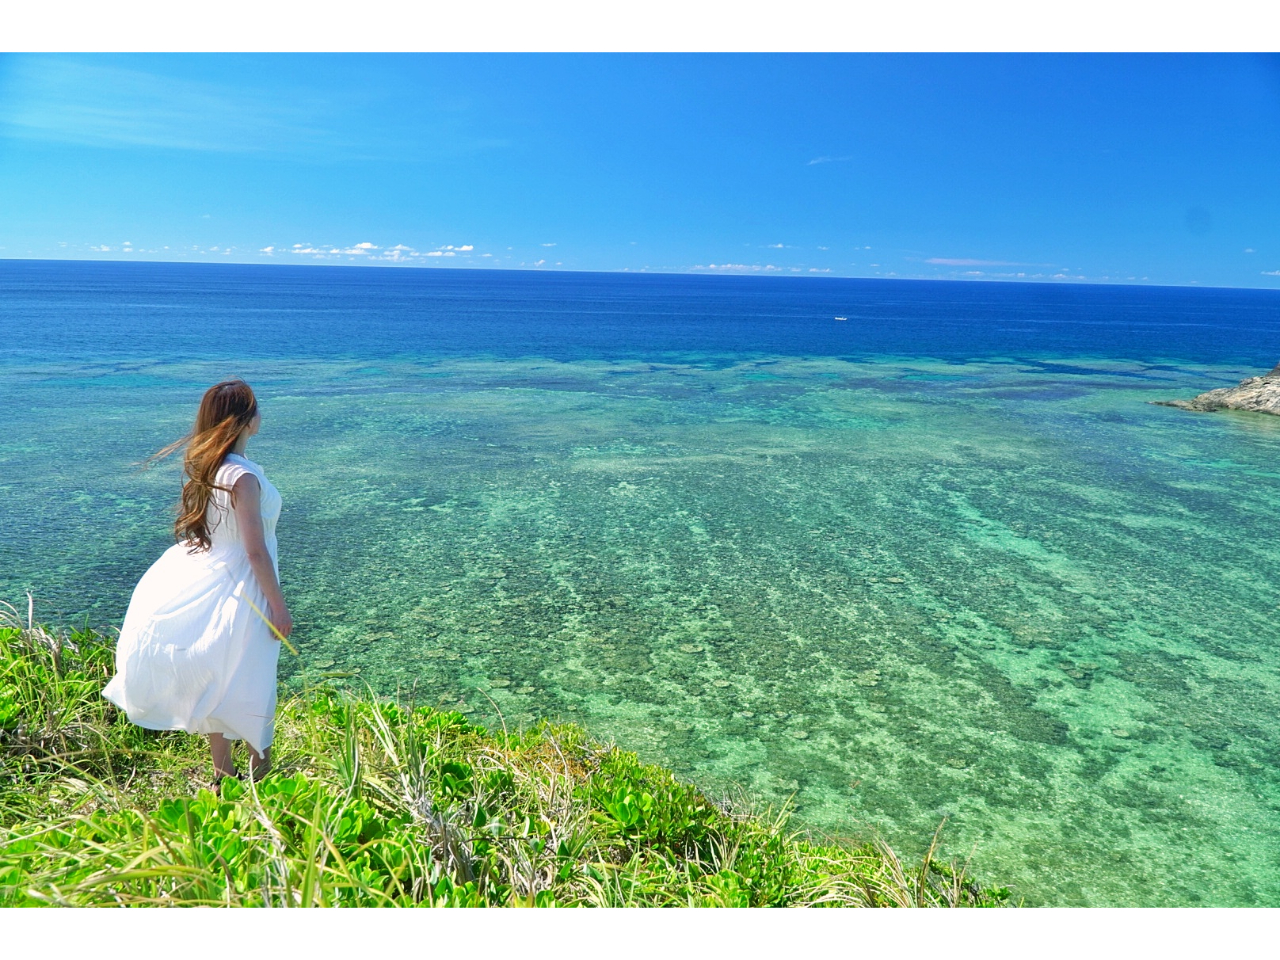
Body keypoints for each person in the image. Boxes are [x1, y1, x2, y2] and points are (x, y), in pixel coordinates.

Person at [103, 379, 292, 792]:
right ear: (245, 420)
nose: (263, 415)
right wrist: (278, 606)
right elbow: (255, 550)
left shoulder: (214, 467)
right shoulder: (241, 475)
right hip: (246, 585)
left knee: (218, 674)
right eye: (257, 408)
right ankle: (263, 778)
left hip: (219, 577)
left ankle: (223, 776)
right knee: (255, 678)